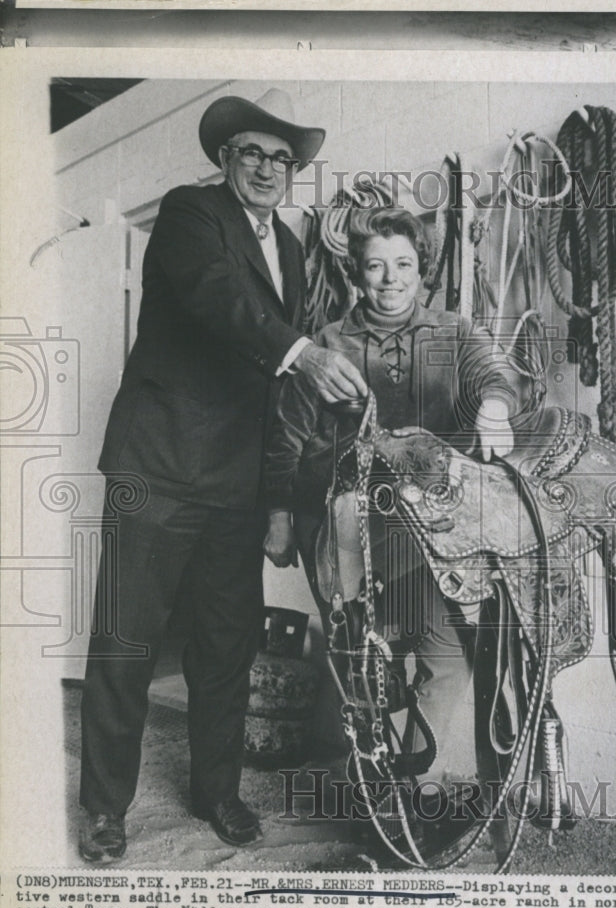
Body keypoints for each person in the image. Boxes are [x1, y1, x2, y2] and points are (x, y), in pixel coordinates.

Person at [78, 88, 368, 863]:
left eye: (282, 157)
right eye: (252, 153)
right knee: (124, 645)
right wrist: (305, 353)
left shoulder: (299, 249)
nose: (268, 167)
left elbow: (276, 385)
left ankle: (217, 792)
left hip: (236, 482)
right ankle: (106, 809)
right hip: (159, 466)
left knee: (225, 648)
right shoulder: (187, 215)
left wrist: (277, 498)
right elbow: (219, 303)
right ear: (223, 160)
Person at [263, 206, 526, 795]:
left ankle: (407, 785)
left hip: (431, 527)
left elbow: (493, 370)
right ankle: (353, 775)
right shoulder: (328, 344)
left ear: (422, 269)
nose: (391, 278)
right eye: (376, 266)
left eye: (403, 264)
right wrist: (279, 516)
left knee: (447, 654)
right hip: (347, 522)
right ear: (356, 272)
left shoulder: (453, 331)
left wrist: (494, 404)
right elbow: (284, 439)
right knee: (358, 655)